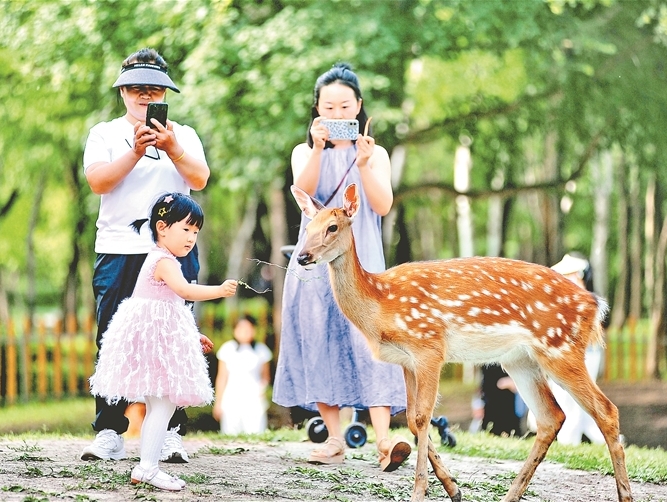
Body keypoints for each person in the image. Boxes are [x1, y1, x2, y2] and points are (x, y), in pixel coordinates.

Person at [272, 63, 411, 471]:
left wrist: (364, 164)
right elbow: (304, 191)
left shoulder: (375, 154)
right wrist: (318, 149)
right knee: (319, 342)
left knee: (374, 344)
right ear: (316, 108)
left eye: (345, 107)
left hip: (362, 263)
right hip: (315, 264)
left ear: (359, 106)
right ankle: (334, 438)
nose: (337, 114)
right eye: (329, 107)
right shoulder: (303, 152)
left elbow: (382, 205)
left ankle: (384, 441)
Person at [82, 47, 210, 463]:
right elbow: (99, 182)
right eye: (135, 88)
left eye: (153, 89)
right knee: (112, 338)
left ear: (165, 93)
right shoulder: (104, 133)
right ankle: (109, 431)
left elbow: (199, 179)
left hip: (174, 252)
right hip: (118, 248)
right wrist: (135, 151)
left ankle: (170, 432)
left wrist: (173, 148)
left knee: (176, 340)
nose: (144, 95)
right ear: (122, 92)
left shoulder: (184, 134)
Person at [89, 192, 238, 491]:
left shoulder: (163, 259)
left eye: (196, 232)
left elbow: (169, 307)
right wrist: (220, 290)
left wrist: (191, 335)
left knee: (162, 405)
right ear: (162, 227)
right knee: (163, 405)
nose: (191, 238)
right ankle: (147, 467)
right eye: (186, 229)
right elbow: (185, 292)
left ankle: (147, 466)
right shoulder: (163, 261)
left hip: (157, 340)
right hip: (155, 345)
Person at [548, 252, 606, 445]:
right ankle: (600, 440)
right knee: (571, 399)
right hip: (569, 354)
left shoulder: (587, 301)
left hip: (585, 354)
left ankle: (569, 442)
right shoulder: (565, 300)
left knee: (574, 399)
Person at [213, 314, 273, 434]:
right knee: (231, 432)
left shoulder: (261, 350)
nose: (244, 332)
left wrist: (262, 389)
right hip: (231, 397)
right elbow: (222, 377)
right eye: (241, 328)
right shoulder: (227, 349)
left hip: (254, 397)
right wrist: (218, 402)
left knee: (255, 432)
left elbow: (265, 377)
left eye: (248, 329)